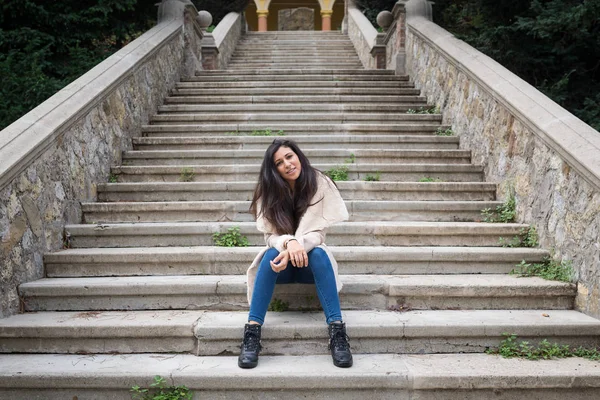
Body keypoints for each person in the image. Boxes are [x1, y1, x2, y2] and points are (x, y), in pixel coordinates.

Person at [238, 139, 353, 369]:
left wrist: (298, 245)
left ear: (298, 155)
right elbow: (270, 237)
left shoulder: (319, 183)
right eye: (279, 162)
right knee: (270, 255)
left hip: (311, 266)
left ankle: (338, 333)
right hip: (281, 268)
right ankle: (252, 333)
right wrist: (288, 242)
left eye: (289, 157)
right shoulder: (269, 193)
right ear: (274, 170)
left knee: (319, 254)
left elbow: (318, 234)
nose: (287, 164)